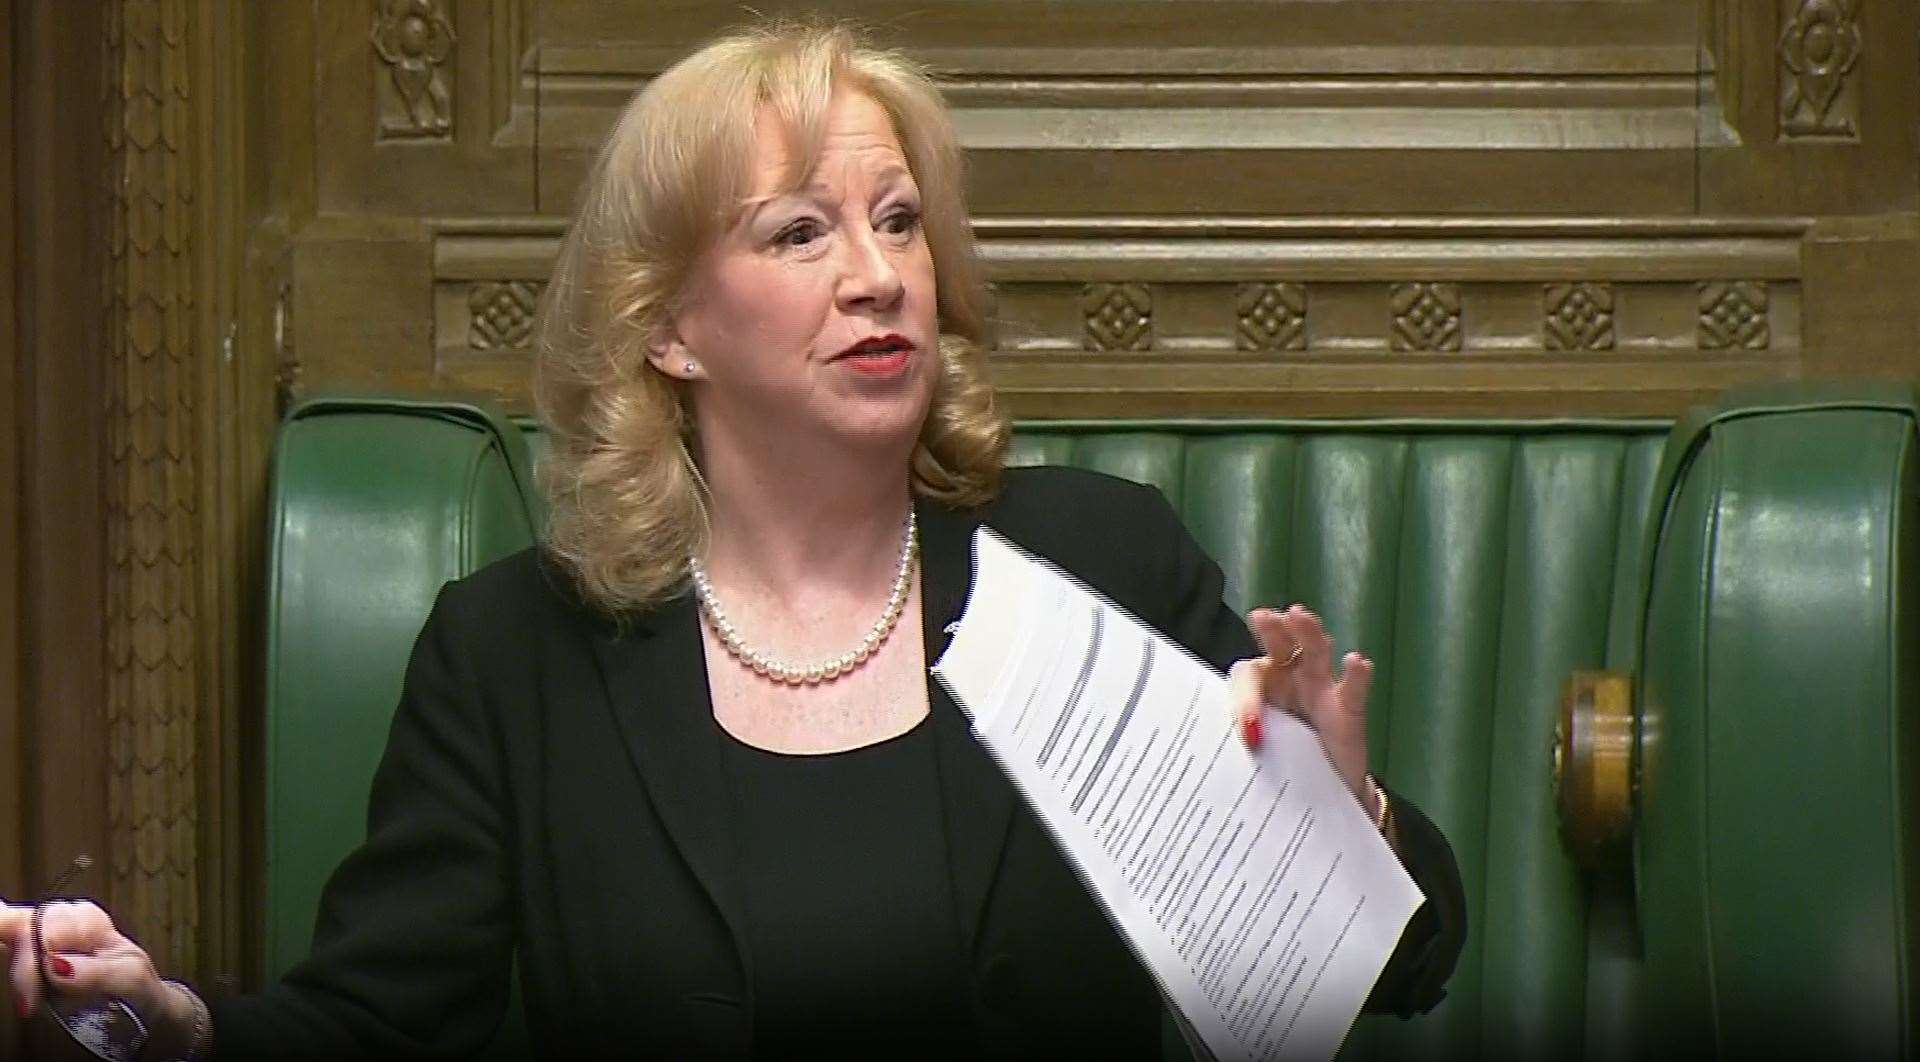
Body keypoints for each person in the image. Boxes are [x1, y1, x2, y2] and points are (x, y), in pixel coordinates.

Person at [2, 19, 1464, 1059]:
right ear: (671, 332)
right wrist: (163, 1019)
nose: (881, 273)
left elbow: (1404, 969)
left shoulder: (1098, 561)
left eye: (899, 221)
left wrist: (1354, 835)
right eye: (800, 234)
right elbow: (373, 1024)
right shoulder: (514, 655)